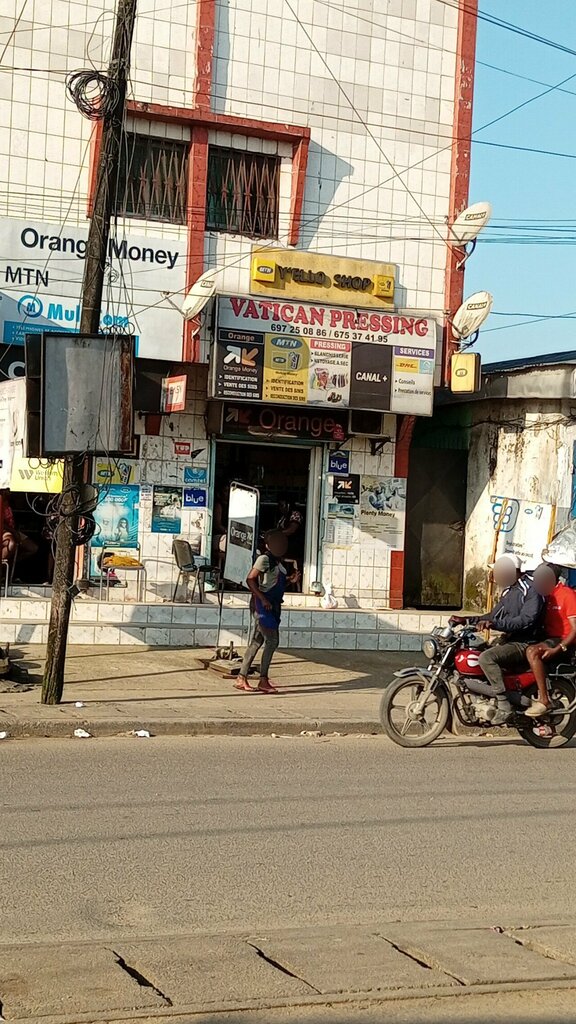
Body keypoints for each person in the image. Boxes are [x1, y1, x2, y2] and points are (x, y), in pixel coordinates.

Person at [475, 553, 545, 724]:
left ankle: (504, 704)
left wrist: (496, 624)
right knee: (476, 650)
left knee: (487, 657)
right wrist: (468, 620)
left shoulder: (531, 588)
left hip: (525, 642)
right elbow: (493, 615)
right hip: (510, 639)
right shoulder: (509, 590)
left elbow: (526, 620)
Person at [234, 530, 300, 694]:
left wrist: (291, 581)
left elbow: (275, 586)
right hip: (262, 606)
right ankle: (263, 679)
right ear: (268, 545)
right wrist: (263, 600)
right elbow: (250, 579)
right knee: (272, 641)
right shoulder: (264, 559)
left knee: (257, 641)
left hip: (273, 605)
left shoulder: (279, 563)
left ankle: (241, 677)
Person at [523, 563, 576, 717]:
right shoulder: (545, 596)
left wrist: (559, 648)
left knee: (532, 652)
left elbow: (575, 629)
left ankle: (544, 699)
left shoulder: (567, 595)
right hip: (548, 637)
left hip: (562, 640)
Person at [1, 489, 38, 570]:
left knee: (33, 548)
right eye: (7, 490)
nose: (9, 492)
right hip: (4, 530)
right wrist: (13, 532)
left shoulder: (9, 501)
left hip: (13, 529)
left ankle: (10, 564)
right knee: (10, 544)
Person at [276, 494, 304, 589]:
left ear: (288, 505)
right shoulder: (283, 517)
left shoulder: (295, 514)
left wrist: (277, 534)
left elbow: (291, 530)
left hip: (293, 548)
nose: (280, 508)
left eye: (282, 505)